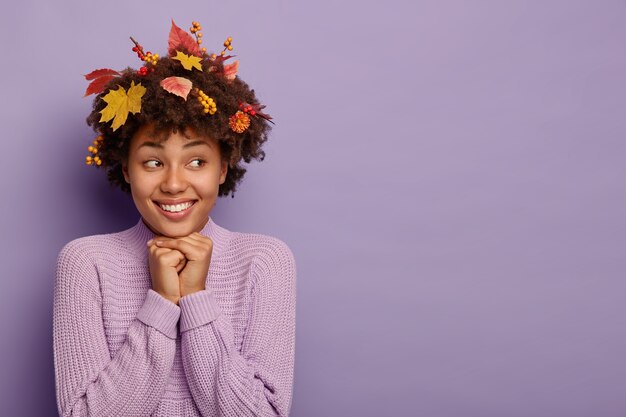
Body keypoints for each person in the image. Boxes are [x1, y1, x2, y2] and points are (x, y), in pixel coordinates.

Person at [53, 20, 296, 417]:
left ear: (223, 167)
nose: (173, 183)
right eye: (152, 162)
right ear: (127, 168)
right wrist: (162, 303)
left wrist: (196, 297)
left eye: (197, 161)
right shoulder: (86, 263)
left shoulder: (265, 261)